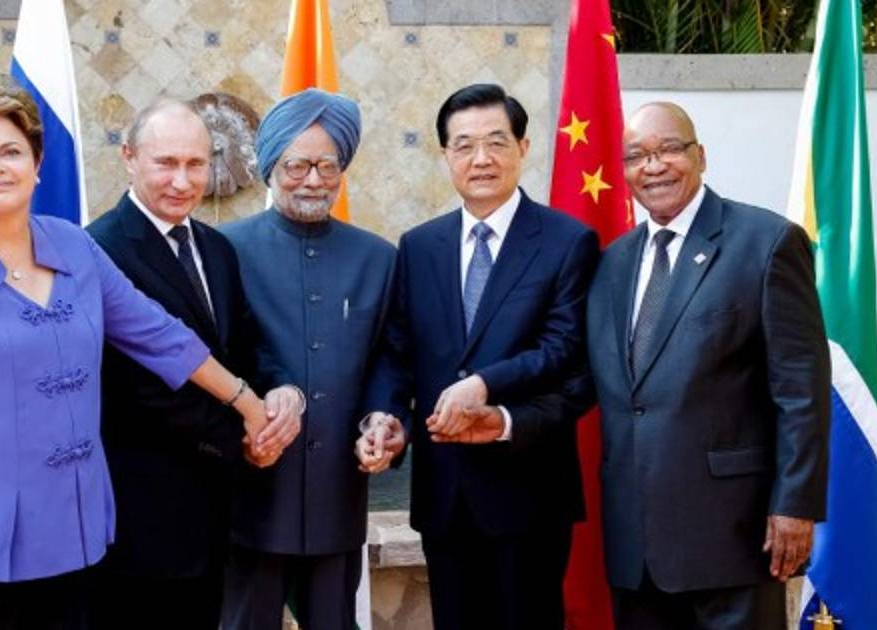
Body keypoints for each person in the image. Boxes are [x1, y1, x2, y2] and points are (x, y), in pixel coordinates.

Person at [0, 72, 285, 630]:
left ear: (37, 163)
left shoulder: (74, 247)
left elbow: (161, 336)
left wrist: (249, 404)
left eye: (11, 151)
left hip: (68, 537)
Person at [362, 83, 600, 629]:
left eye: (496, 142)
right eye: (464, 145)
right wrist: (385, 417)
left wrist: (484, 386)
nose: (481, 158)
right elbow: (397, 353)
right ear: (446, 155)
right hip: (445, 493)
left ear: (523, 147)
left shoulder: (567, 241)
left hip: (529, 492)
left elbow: (564, 348)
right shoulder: (420, 245)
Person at [584, 102, 829, 629]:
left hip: (732, 538)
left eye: (669, 149)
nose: (653, 166)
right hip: (636, 549)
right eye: (636, 156)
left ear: (701, 156)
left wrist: (795, 504)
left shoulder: (766, 243)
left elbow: (801, 390)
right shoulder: (612, 263)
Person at [84, 98, 302, 629]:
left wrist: (281, 392)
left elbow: (243, 346)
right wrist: (244, 436)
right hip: (139, 526)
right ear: (129, 157)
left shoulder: (216, 248)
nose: (182, 181)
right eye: (166, 163)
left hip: (215, 519)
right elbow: (131, 385)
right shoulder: (97, 250)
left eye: (196, 164)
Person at [217, 88, 396, 630]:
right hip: (250, 496)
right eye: (297, 165)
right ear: (271, 167)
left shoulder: (378, 258)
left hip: (337, 494)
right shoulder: (224, 249)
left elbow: (389, 362)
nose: (313, 180)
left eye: (327, 165)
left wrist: (383, 420)